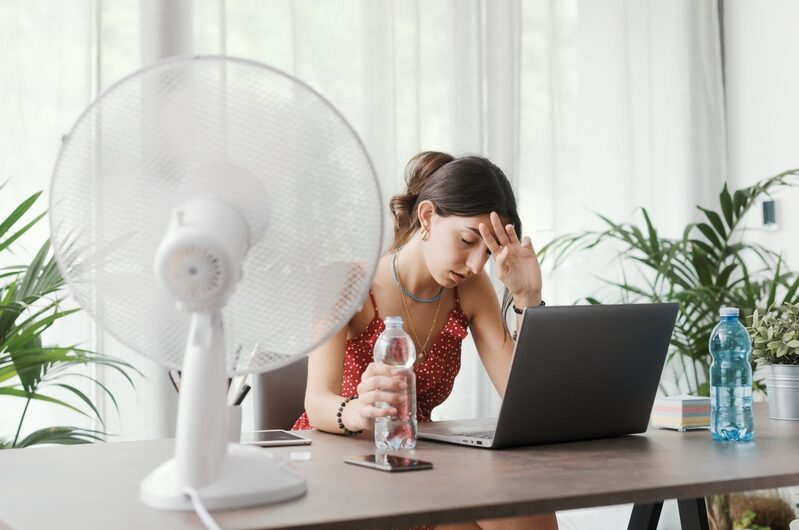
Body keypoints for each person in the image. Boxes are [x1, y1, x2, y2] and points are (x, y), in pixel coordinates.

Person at [292, 151, 558, 530]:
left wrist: (527, 298)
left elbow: (525, 402)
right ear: (429, 217)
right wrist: (358, 411)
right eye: (467, 240)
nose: (475, 265)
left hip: (415, 456)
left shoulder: (470, 289)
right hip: (345, 454)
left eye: (488, 252)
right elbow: (316, 401)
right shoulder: (348, 282)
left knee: (530, 513)